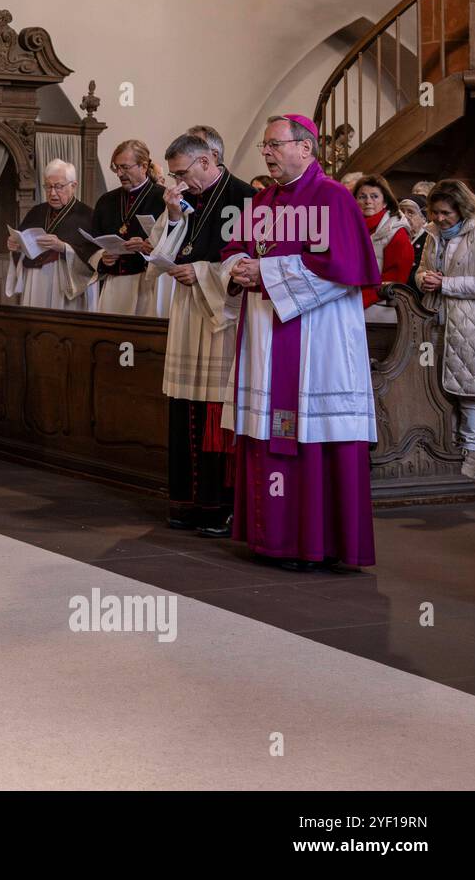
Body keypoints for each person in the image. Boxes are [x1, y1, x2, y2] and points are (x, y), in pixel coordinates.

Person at [222, 114, 381, 571]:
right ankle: (273, 538)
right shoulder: (262, 200)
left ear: (305, 148)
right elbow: (235, 249)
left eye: (274, 144)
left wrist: (266, 272)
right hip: (266, 339)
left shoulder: (334, 198)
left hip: (319, 339)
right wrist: (237, 267)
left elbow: (344, 266)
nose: (267, 153)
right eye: (264, 147)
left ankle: (316, 542)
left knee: (312, 430)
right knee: (272, 426)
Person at [148, 133, 255, 536]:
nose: (177, 183)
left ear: (208, 161)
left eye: (182, 173)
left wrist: (204, 272)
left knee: (215, 411)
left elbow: (252, 263)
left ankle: (220, 506)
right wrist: (174, 216)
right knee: (183, 406)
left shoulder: (246, 199)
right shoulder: (182, 198)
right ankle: (186, 504)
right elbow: (158, 254)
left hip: (221, 316)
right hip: (187, 312)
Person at [416, 179, 475, 481]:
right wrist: (424, 278)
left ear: (461, 210)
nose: (439, 219)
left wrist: (447, 284)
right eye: (435, 212)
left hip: (469, 324)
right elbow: (421, 269)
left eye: (446, 214)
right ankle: (446, 451)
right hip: (434, 319)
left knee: (468, 392)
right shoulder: (432, 233)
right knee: (436, 388)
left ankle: (471, 460)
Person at [5, 159, 96, 311]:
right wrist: (15, 246)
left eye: (59, 187)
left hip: (64, 283)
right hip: (34, 281)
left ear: (73, 186)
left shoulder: (87, 216)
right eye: (48, 187)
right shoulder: (36, 212)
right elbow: (23, 243)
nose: (52, 193)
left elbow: (93, 257)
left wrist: (63, 248)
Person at [89, 140, 167, 316]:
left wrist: (150, 248)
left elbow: (174, 245)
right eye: (116, 168)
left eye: (125, 167)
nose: (119, 173)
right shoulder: (106, 201)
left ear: (144, 166)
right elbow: (93, 242)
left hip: (146, 285)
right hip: (112, 285)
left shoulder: (163, 198)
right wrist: (103, 257)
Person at [352, 174, 413, 322]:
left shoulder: (396, 232)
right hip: (352, 304)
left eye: (374, 197)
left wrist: (356, 303)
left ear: (385, 201)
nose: (368, 202)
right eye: (362, 197)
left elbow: (394, 281)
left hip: (379, 309)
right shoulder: (350, 227)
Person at [399, 193, 430, 289]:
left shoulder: (428, 240)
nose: (405, 217)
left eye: (410, 212)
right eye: (402, 212)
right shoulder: (398, 237)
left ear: (424, 218)